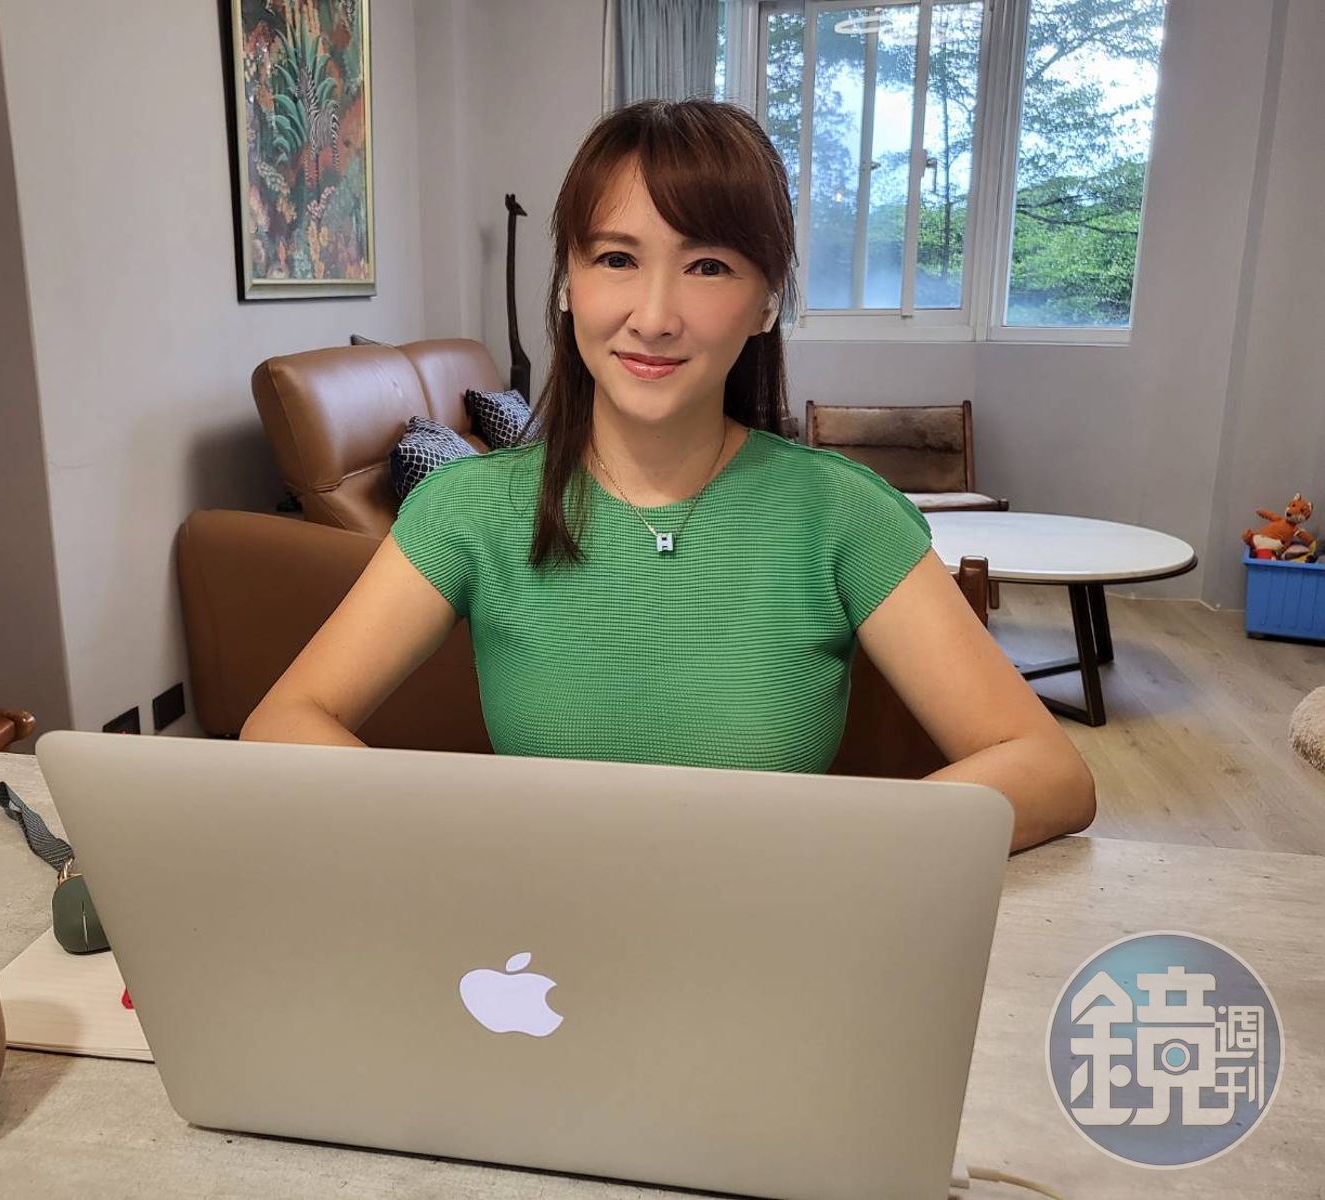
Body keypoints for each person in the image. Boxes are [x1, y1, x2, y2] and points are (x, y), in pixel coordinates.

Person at [242, 98, 1095, 854]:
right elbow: (283, 722)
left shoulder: (839, 512)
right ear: (568, 284)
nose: (652, 318)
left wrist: (819, 859)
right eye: (616, 258)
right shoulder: (469, 508)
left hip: (765, 937)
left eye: (708, 266)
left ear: (766, 302)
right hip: (537, 942)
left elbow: (1049, 772)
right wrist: (465, 841)